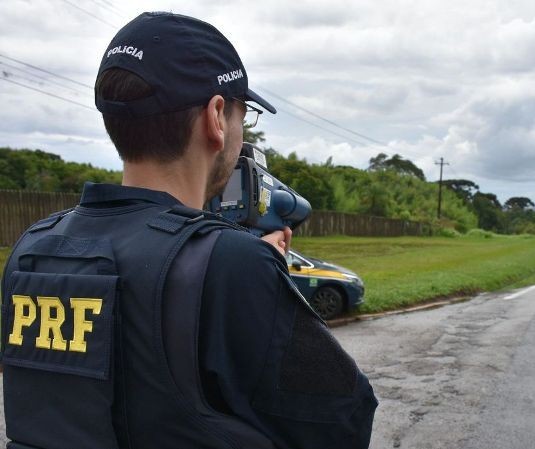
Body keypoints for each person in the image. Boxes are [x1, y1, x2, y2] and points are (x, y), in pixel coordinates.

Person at [1, 12, 377, 449]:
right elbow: (344, 423)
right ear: (216, 117)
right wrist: (259, 280)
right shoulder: (230, 264)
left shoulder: (36, 245)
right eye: (244, 116)